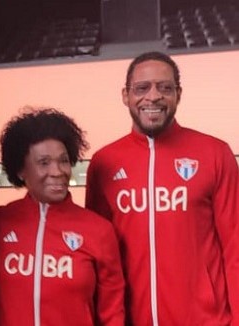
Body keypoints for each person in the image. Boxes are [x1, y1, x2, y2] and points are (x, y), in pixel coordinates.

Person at [86, 51, 239, 325]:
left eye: (164, 87)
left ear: (178, 94)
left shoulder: (215, 153)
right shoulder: (103, 163)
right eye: (142, 88)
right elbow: (99, 258)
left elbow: (235, 248)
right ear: (125, 95)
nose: (153, 96)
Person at [0, 108, 125, 325]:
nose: (58, 171)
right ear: (21, 170)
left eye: (64, 160)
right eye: (44, 162)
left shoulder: (99, 230)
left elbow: (112, 313)